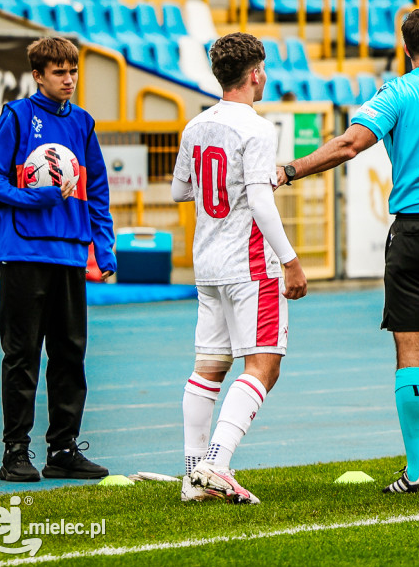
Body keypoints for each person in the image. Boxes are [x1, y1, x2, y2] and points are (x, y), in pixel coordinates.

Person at [274, 8, 419, 495]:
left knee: (411, 353)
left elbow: (349, 145)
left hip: (416, 233)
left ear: (406, 49)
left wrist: (291, 170)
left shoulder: (397, 92)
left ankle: (417, 469)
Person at [172, 32, 308, 504]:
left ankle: (192, 473)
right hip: (249, 263)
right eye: (264, 70)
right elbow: (262, 206)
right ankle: (216, 463)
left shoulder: (196, 126)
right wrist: (291, 262)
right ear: (254, 74)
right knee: (264, 363)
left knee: (208, 366)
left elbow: (179, 191)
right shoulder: (255, 128)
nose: (265, 77)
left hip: (207, 262)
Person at [0, 36, 115, 483]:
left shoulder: (84, 123)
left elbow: (96, 191)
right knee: (21, 355)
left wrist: (104, 245)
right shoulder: (17, 117)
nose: (68, 79)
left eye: (73, 71)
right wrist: (30, 197)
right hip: (24, 250)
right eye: (59, 72)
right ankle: (15, 452)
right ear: (38, 76)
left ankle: (63, 449)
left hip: (71, 254)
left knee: (70, 354)